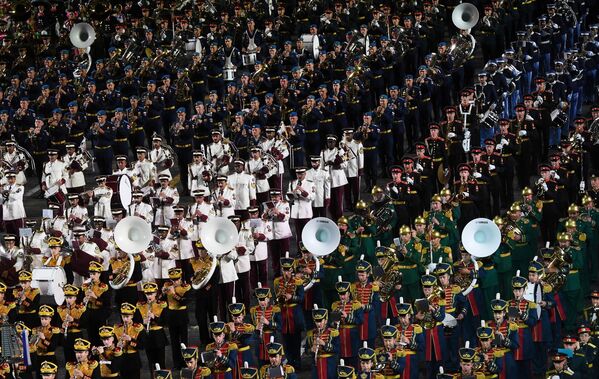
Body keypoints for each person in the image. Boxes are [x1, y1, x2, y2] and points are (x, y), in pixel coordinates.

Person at [136, 282, 168, 373]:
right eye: (147, 293)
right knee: (151, 363)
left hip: (158, 336)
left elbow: (165, 322)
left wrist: (155, 317)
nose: (149, 296)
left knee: (161, 362)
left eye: (151, 293)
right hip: (147, 336)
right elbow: (136, 321)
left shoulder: (161, 304)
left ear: (155, 293)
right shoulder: (141, 305)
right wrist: (143, 322)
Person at [305, 306, 340, 379]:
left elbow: (337, 349)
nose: (318, 324)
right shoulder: (311, 334)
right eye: (317, 321)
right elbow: (306, 350)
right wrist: (311, 349)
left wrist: (324, 344)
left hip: (329, 364)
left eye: (321, 321)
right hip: (316, 365)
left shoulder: (333, 333)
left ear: (326, 320)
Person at [113, 303, 146, 379]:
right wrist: (117, 345)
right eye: (123, 316)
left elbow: (142, 346)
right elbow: (113, 345)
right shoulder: (117, 328)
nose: (125, 319)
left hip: (133, 360)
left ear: (132, 316)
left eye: (127, 317)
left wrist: (131, 340)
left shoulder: (138, 328)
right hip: (122, 359)